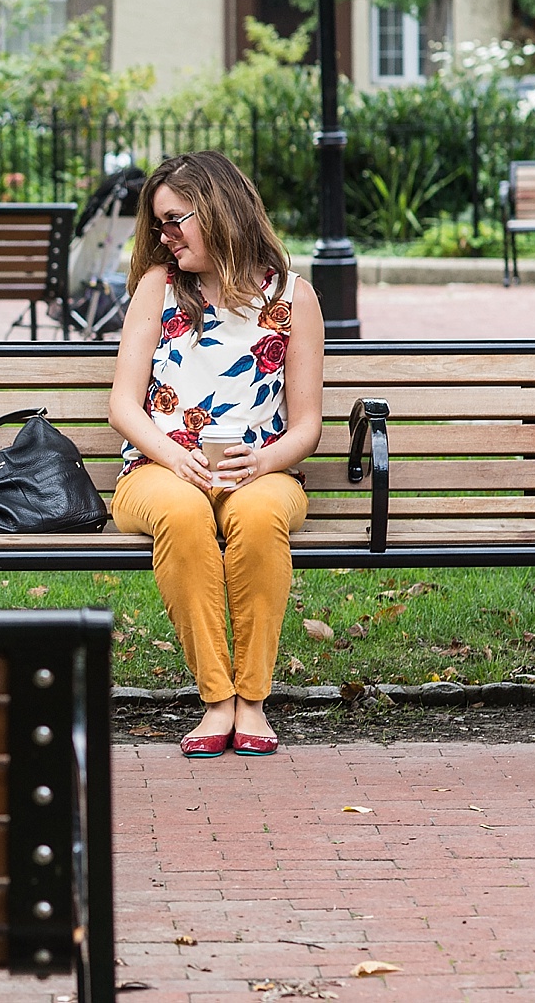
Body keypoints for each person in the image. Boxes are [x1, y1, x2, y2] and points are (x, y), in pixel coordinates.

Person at [106, 151, 324, 759]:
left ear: (220, 209)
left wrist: (265, 461)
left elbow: (307, 425)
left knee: (256, 517)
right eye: (159, 225)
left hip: (261, 471)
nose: (165, 237)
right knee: (182, 513)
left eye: (176, 220)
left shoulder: (292, 297)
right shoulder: (159, 288)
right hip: (156, 469)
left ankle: (252, 700)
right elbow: (124, 407)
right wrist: (172, 459)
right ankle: (217, 699)